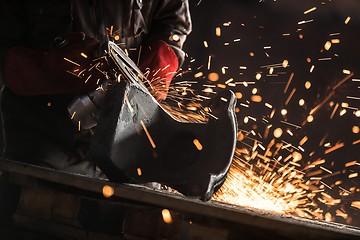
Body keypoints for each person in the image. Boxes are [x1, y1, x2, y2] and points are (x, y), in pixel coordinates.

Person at [0, 0, 191, 231]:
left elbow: (173, 23)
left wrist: (160, 63)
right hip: (46, 146)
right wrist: (47, 68)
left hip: (131, 146)